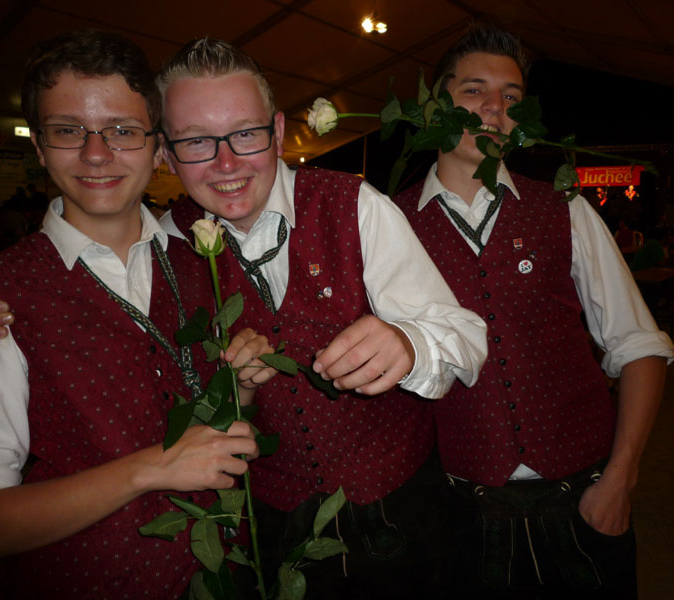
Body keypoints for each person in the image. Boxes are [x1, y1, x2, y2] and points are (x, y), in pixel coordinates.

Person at [153, 37, 487, 598]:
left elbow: (465, 336)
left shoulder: (354, 203)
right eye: (196, 141)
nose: (226, 163)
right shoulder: (164, 246)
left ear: (279, 131)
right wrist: (234, 390)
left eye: (246, 133)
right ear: (165, 152)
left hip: (403, 508)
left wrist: (408, 343)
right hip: (273, 524)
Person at [0, 31, 273, 599]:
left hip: (230, 575)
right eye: (67, 130)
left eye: (123, 131)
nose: (96, 153)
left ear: (158, 149)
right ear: (40, 148)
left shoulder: (204, 260)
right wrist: (151, 468)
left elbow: (217, 422)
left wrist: (242, 389)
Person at [394, 25, 674, 598]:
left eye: (511, 96)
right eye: (474, 90)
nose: (494, 107)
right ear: (434, 107)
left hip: (583, 497)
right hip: (462, 511)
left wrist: (621, 478)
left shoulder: (564, 209)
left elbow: (639, 346)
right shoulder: (391, 224)